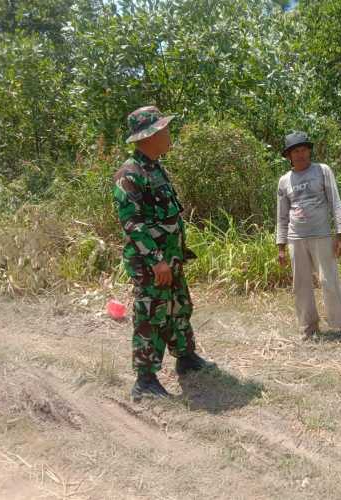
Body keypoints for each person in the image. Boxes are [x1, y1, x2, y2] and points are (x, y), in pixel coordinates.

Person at [113, 105, 213, 401]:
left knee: (179, 307)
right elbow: (132, 223)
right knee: (151, 316)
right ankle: (145, 379)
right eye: (164, 130)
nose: (169, 134)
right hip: (152, 263)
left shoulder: (156, 168)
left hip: (171, 258)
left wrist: (172, 256)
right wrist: (156, 261)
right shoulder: (129, 174)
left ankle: (186, 358)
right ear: (150, 135)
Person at [276, 131, 341, 339]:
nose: (300, 154)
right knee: (300, 285)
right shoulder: (284, 181)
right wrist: (281, 246)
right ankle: (309, 327)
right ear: (289, 156)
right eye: (295, 151)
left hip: (322, 235)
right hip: (295, 238)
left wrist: (340, 233)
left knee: (329, 280)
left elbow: (335, 201)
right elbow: (281, 215)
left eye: (303, 150)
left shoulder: (322, 171)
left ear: (309, 151)